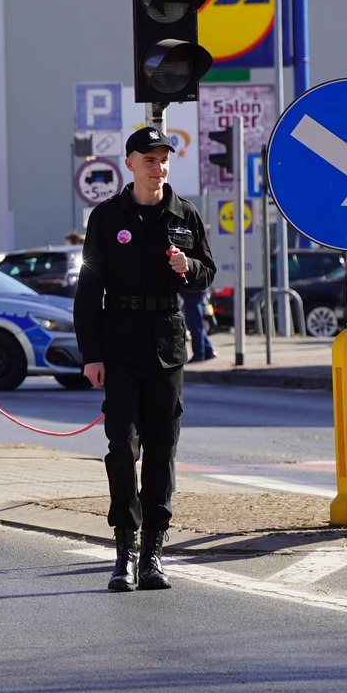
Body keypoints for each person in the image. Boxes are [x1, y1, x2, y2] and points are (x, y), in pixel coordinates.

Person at [75, 126, 217, 593]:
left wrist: (188, 267)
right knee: (122, 448)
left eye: (164, 159)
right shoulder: (107, 216)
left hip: (166, 345)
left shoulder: (185, 214)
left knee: (162, 450)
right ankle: (125, 551)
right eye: (150, 160)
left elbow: (207, 273)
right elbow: (88, 290)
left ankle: (153, 551)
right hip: (118, 343)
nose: (159, 168)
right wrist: (91, 355)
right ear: (130, 164)